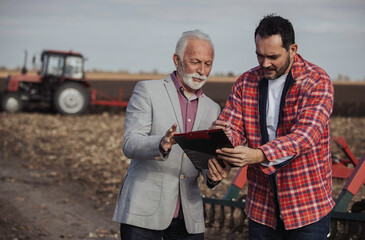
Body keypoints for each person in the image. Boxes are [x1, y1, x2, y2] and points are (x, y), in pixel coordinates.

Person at [211, 14, 335, 239]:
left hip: (307, 208)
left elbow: (304, 137)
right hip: (262, 208)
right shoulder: (245, 82)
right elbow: (233, 128)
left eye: (273, 56)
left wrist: (257, 155)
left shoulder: (317, 81)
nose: (265, 63)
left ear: (293, 49)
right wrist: (225, 141)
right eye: (260, 55)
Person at [113, 30, 231, 240]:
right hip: (143, 215)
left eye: (208, 63)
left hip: (189, 219)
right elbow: (130, 143)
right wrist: (161, 143)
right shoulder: (147, 91)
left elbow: (203, 164)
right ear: (177, 59)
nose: (202, 70)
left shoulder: (213, 109)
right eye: (195, 62)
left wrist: (213, 175)